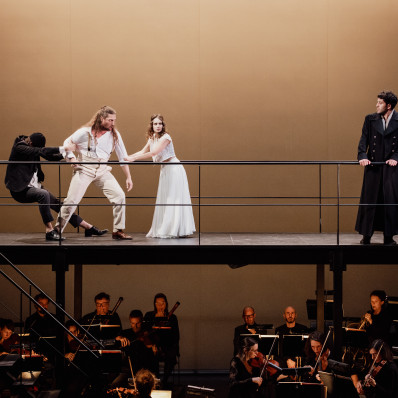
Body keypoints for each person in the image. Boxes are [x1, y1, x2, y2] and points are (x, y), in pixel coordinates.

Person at [4, 132, 107, 241]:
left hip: (34, 186)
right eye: (38, 147)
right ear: (31, 143)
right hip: (20, 190)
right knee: (43, 195)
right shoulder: (19, 147)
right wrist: (64, 148)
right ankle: (49, 231)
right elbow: (40, 151)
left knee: (58, 204)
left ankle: (88, 227)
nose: (40, 149)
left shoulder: (33, 147)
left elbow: (49, 156)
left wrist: (67, 154)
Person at [56, 106, 133, 240]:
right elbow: (67, 143)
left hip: (102, 170)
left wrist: (128, 177)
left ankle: (118, 230)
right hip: (85, 168)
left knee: (119, 195)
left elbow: (123, 157)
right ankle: (57, 230)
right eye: (110, 120)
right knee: (71, 201)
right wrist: (72, 158)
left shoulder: (114, 135)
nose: (113, 123)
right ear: (101, 119)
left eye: (114, 120)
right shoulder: (84, 132)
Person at [124, 114, 195, 238]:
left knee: (174, 198)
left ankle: (175, 229)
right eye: (155, 124)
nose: (158, 126)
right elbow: (143, 151)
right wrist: (127, 157)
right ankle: (167, 227)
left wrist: (132, 159)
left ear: (163, 125)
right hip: (165, 170)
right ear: (151, 125)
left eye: (160, 124)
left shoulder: (166, 137)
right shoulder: (152, 138)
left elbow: (154, 152)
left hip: (174, 169)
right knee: (166, 198)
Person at [356, 90, 398, 245]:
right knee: (370, 199)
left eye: (380, 103)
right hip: (373, 166)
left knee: (389, 200)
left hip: (390, 168)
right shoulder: (370, 119)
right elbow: (364, 140)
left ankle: (389, 236)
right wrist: (363, 156)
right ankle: (366, 235)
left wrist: (395, 158)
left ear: (389, 106)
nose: (376, 105)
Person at [144, 293, 179, 387]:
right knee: (150, 355)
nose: (160, 306)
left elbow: (176, 336)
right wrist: (152, 345)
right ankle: (155, 380)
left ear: (166, 304)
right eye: (157, 303)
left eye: (162, 303)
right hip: (153, 346)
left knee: (171, 354)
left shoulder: (172, 317)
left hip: (167, 346)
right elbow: (145, 332)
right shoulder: (149, 316)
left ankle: (164, 381)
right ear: (154, 304)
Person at [120, 310, 158, 375]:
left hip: (145, 366)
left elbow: (151, 347)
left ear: (142, 321)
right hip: (130, 366)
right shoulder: (125, 333)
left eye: (138, 323)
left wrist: (154, 350)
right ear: (130, 322)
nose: (135, 326)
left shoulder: (147, 333)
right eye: (133, 323)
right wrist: (119, 338)